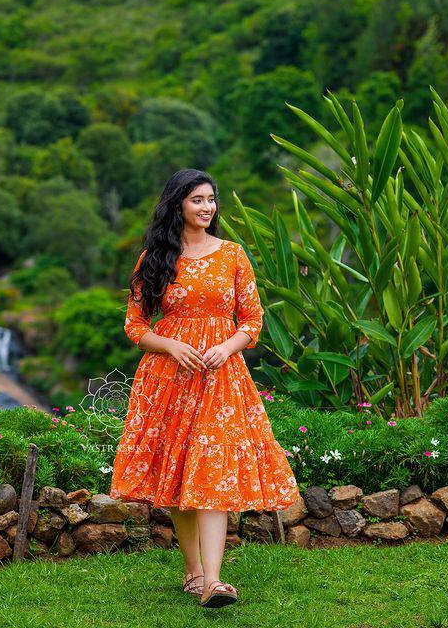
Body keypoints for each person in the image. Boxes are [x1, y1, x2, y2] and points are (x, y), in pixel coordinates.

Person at [109, 169, 299, 608]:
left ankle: (213, 581)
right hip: (168, 379)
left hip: (221, 379)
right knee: (178, 473)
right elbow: (134, 326)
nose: (207, 207)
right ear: (177, 204)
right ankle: (192, 571)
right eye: (198, 200)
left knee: (211, 470)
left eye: (211, 200)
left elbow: (252, 320)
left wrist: (226, 348)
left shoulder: (233, 254)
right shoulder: (155, 258)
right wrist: (172, 345)